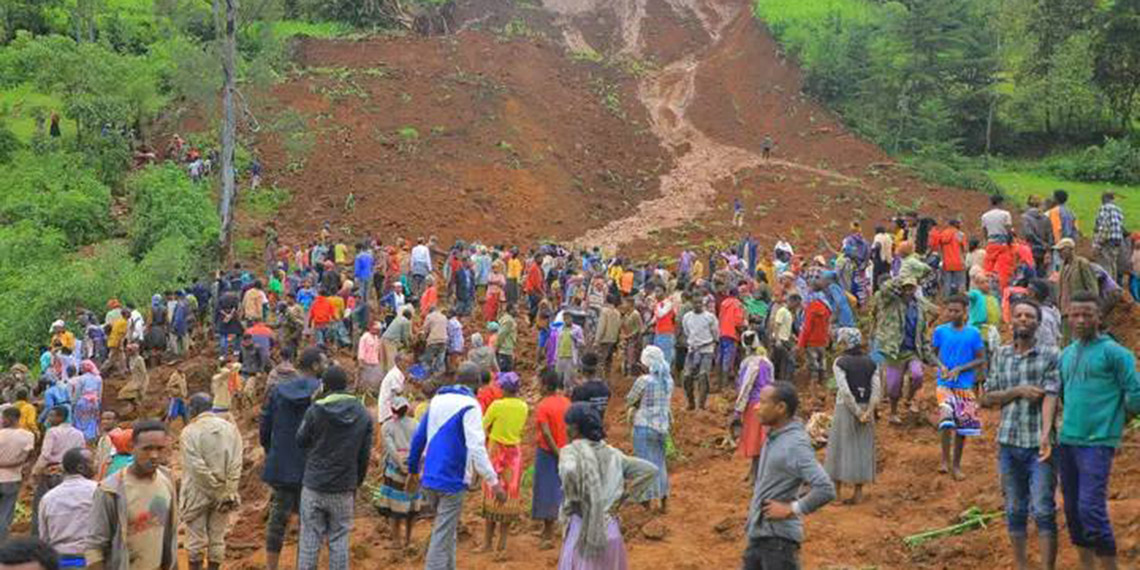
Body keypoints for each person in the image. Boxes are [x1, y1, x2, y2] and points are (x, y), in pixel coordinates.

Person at [1041, 291, 1140, 570]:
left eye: (1087, 314)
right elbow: (1061, 394)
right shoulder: (1067, 354)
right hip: (1068, 440)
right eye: (1075, 315)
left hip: (1098, 442)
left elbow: (1135, 393)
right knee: (1072, 510)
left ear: (1099, 318)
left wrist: (1117, 421)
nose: (1081, 320)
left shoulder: (1115, 353)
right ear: (1068, 318)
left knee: (1091, 509)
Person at [979, 300, 1060, 570]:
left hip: (1039, 445)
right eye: (1019, 315)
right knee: (1014, 510)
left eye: (1029, 316)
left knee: (1043, 510)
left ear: (1038, 323)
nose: (1023, 319)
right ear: (1011, 320)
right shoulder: (1001, 355)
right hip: (1008, 442)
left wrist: (1046, 436)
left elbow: (1051, 396)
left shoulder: (1050, 354)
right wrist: (1018, 391)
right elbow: (987, 397)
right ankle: (1021, 565)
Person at [407, 362, 505, 570]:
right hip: (452, 479)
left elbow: (418, 438)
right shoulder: (471, 406)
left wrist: (413, 470)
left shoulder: (437, 400)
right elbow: (476, 447)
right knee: (442, 534)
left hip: (429, 478)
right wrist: (494, 481)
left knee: (447, 529)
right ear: (477, 385)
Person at [742, 382, 836, 569]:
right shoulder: (775, 436)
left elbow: (825, 488)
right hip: (759, 536)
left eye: (763, 402)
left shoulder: (795, 444)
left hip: (778, 544)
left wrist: (792, 508)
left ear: (781, 408)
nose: (756, 407)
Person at [556, 403, 657, 569]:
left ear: (575, 429)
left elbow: (568, 470)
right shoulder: (614, 454)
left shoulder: (571, 452)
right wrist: (625, 497)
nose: (566, 429)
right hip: (610, 530)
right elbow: (650, 471)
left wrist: (574, 495)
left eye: (568, 425)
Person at [295, 365, 374, 570]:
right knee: (339, 540)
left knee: (310, 540)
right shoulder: (363, 413)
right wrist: (356, 481)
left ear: (324, 386)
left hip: (314, 485)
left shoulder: (315, 410)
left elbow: (300, 440)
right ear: (346, 385)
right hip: (344, 487)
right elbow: (364, 455)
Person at [83, 420, 179, 570]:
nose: (154, 455)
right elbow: (95, 546)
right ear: (132, 448)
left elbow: (170, 535)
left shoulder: (166, 480)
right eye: (147, 449)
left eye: (160, 448)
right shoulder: (111, 490)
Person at [259, 347, 323, 570]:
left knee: (278, 519)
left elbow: (264, 427)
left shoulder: (278, 391)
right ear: (315, 366)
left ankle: (271, 567)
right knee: (309, 521)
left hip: (282, 464)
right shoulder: (321, 392)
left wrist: (272, 451)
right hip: (311, 466)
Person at [180, 393, 242, 570]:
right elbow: (236, 463)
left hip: (196, 493)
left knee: (195, 542)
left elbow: (196, 467)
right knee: (217, 539)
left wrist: (215, 490)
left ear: (194, 409)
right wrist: (227, 490)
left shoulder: (189, 431)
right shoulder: (231, 429)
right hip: (225, 493)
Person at [931, 294, 986, 481]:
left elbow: (980, 358)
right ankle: (945, 460)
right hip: (944, 383)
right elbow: (932, 354)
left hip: (965, 385)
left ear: (965, 312)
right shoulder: (940, 331)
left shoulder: (973, 333)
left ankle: (956, 464)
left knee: (963, 428)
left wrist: (960, 368)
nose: (952, 314)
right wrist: (941, 366)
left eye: (957, 311)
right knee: (946, 420)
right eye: (950, 310)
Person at [824, 329, 879, 504]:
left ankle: (837, 493)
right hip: (866, 407)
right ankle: (858, 493)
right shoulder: (872, 363)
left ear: (844, 342)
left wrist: (856, 412)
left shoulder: (840, 362)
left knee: (839, 447)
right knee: (862, 447)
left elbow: (845, 391)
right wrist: (868, 411)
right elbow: (876, 390)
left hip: (845, 408)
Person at [478, 373, 528, 560]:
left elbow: (483, 426)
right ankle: (503, 543)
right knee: (509, 495)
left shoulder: (497, 406)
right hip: (514, 454)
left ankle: (487, 542)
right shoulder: (523, 406)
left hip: (496, 452)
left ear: (505, 388)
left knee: (492, 492)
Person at [872, 277, 931, 424]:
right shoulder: (892, 303)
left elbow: (923, 330)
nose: (908, 291)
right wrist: (900, 277)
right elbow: (884, 289)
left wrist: (926, 350)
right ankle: (893, 412)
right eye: (906, 288)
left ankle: (909, 398)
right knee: (893, 386)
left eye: (911, 288)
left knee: (917, 375)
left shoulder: (919, 307)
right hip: (895, 351)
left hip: (913, 349)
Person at [626, 345, 673, 513]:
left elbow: (630, 399)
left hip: (644, 426)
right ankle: (664, 500)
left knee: (645, 465)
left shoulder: (643, 381)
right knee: (660, 463)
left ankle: (646, 503)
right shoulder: (668, 381)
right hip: (662, 427)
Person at [372, 396, 422, 551]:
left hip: (395, 472)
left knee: (394, 509)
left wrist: (400, 464)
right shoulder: (416, 424)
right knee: (412, 507)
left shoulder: (387, 426)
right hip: (413, 470)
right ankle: (408, 539)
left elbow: (391, 449)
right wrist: (413, 465)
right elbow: (420, 446)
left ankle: (396, 541)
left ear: (392, 409)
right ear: (407, 409)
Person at [31, 406, 86, 537]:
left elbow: (45, 455)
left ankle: (39, 538)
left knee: (40, 506)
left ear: (60, 417)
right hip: (71, 473)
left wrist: (35, 472)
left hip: (52, 473)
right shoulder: (78, 433)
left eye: (52, 415)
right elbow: (82, 453)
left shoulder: (52, 432)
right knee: (67, 506)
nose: (49, 418)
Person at [38, 447, 96, 568]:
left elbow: (44, 537)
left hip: (60, 560)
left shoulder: (48, 498)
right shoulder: (99, 491)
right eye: (92, 462)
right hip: (92, 559)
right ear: (80, 468)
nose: (96, 464)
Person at [532, 369, 570, 550]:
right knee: (561, 488)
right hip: (565, 450)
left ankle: (548, 534)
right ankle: (558, 530)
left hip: (548, 452)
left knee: (546, 491)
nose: (537, 386)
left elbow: (546, 433)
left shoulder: (543, 406)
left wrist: (557, 453)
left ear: (546, 386)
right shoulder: (566, 402)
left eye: (539, 383)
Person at [733, 331, 772, 484]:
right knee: (761, 438)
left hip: (753, 404)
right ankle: (755, 471)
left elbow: (744, 388)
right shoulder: (766, 362)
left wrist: (738, 410)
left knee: (754, 439)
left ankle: (756, 474)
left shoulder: (748, 364)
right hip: (767, 402)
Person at [0, 406, 34, 541]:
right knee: (6, 512)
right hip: (13, 477)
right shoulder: (28, 436)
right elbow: (30, 457)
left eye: (3, 418)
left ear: (8, 418)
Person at [681, 298, 718, 410]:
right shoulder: (687, 317)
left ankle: (701, 405)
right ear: (692, 304)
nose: (697, 305)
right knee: (687, 376)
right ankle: (691, 402)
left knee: (703, 376)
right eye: (695, 303)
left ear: (703, 304)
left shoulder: (710, 317)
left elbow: (715, 333)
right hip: (692, 350)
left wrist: (713, 346)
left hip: (706, 349)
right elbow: (687, 332)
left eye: (699, 303)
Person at [1055, 238, 1099, 318]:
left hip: (1079, 309)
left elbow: (1092, 287)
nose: (1060, 253)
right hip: (1064, 310)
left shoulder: (1082, 263)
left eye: (1062, 250)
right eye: (1059, 251)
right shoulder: (1063, 266)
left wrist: (1092, 306)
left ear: (1070, 250)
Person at [798, 280, 832, 385]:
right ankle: (824, 385)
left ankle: (814, 387)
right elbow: (828, 324)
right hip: (822, 340)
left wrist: (801, 343)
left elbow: (807, 327)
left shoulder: (811, 307)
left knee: (813, 366)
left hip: (811, 341)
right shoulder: (826, 306)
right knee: (822, 363)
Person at [1093, 191, 1126, 282]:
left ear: (1104, 199)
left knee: (1105, 264)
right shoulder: (1118, 209)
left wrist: (1097, 244)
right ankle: (1113, 285)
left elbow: (1104, 226)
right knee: (1112, 263)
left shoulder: (1104, 208)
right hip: (1117, 240)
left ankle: (1107, 286)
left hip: (1107, 240)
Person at [570, 353, 612, 419]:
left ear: (583, 370)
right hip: (599, 423)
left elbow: (574, 412)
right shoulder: (605, 388)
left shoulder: (580, 390)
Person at [769, 293, 799, 382]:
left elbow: (787, 329)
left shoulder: (789, 314)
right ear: (792, 302)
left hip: (785, 340)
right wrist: (777, 340)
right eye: (796, 305)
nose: (796, 308)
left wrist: (793, 337)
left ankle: (780, 380)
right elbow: (777, 325)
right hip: (780, 340)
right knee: (783, 361)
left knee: (783, 362)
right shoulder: (782, 311)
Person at [594, 299, 621, 373]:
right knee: (609, 360)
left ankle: (600, 376)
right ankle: (607, 376)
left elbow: (601, 326)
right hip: (613, 339)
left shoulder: (604, 312)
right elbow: (618, 326)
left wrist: (597, 340)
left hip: (604, 339)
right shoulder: (617, 312)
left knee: (600, 361)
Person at [357, 321, 384, 394]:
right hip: (366, 362)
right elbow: (361, 350)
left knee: (377, 378)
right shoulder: (364, 337)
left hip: (375, 362)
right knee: (366, 380)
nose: (377, 331)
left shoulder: (376, 338)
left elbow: (377, 350)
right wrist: (361, 362)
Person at [422, 306, 449, 376]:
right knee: (440, 360)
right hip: (444, 341)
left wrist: (424, 337)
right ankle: (438, 376)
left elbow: (425, 329)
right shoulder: (444, 317)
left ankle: (427, 375)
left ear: (430, 311)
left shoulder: (429, 316)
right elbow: (446, 328)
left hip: (433, 340)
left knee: (428, 359)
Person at [495, 305, 518, 373]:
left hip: (506, 349)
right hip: (505, 350)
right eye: (515, 309)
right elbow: (501, 335)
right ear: (510, 310)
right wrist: (497, 346)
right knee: (506, 371)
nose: (517, 311)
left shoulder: (507, 319)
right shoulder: (508, 321)